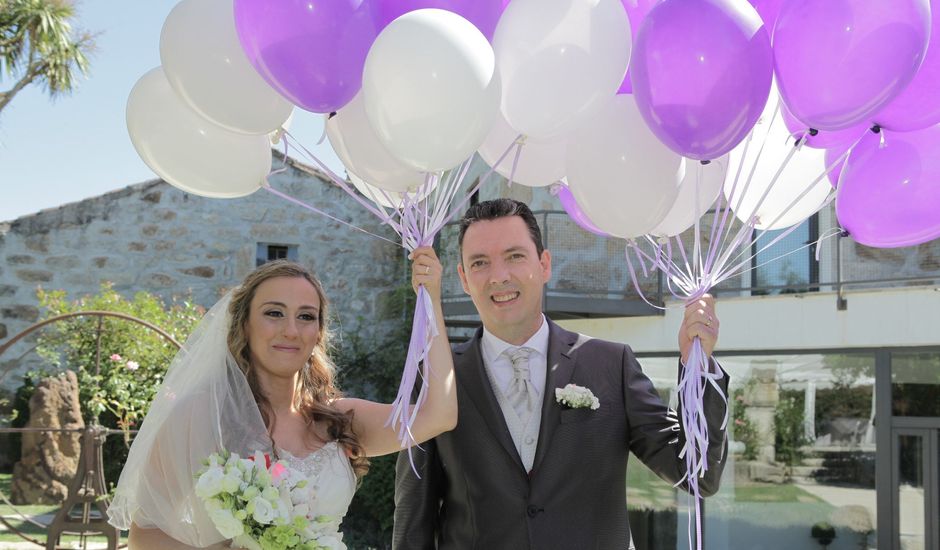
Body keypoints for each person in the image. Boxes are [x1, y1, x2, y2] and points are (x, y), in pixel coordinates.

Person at [392, 199, 729, 549]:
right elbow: (414, 519)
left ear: (544, 264)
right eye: (480, 263)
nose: (499, 276)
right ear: (463, 278)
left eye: (515, 256)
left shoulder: (610, 364)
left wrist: (697, 368)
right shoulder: (435, 377)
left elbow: (697, 473)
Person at [108, 248, 455, 549]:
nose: (291, 329)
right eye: (274, 313)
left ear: (318, 332)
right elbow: (144, 537)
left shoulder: (340, 419)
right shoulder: (201, 415)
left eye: (306, 316)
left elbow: (439, 414)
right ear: (244, 324)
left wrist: (432, 299)